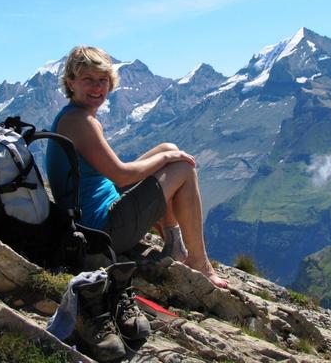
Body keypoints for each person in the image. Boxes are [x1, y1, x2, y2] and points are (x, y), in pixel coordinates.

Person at [46, 46, 227, 288]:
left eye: (103, 80)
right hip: (100, 231)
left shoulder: (73, 115)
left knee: (167, 147)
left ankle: (174, 244)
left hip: (93, 218)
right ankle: (200, 264)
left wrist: (166, 154)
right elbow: (120, 176)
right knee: (182, 167)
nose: (97, 87)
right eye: (88, 80)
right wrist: (166, 160)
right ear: (71, 83)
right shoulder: (80, 122)